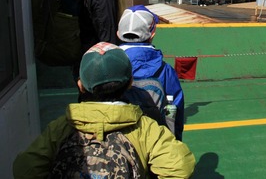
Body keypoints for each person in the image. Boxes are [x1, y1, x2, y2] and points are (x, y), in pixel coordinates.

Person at [13, 42, 195, 178]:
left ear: (80, 86)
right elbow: (180, 167)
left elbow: (24, 168)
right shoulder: (144, 128)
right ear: (130, 82)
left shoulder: (62, 127)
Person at [118, 5, 185, 141]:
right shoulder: (165, 71)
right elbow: (175, 110)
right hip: (156, 142)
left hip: (120, 143)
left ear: (118, 33)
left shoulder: (109, 65)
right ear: (152, 33)